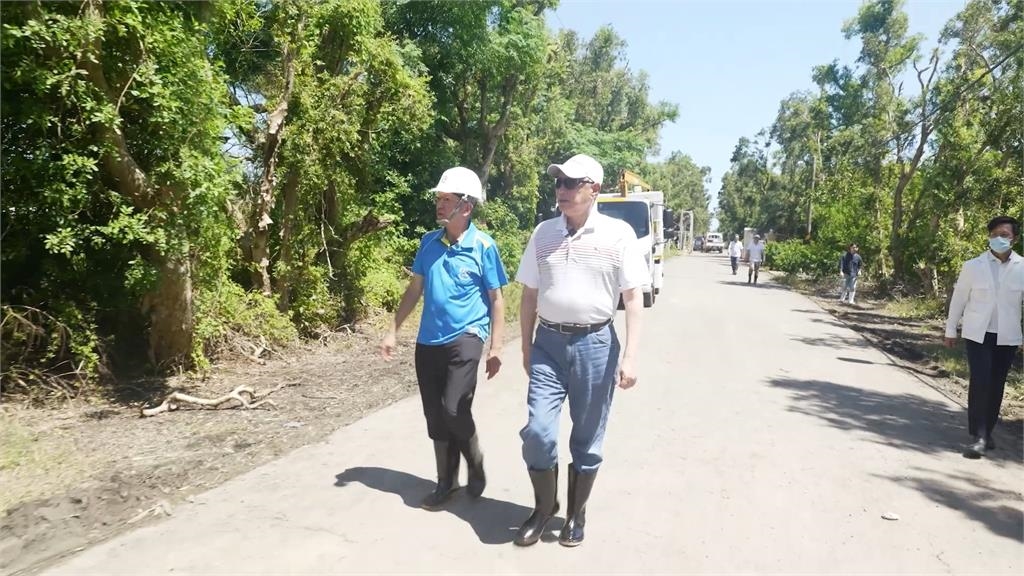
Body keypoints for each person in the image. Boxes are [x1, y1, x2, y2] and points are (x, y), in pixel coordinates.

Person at [513, 153, 647, 548]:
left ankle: (576, 513)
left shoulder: (618, 235)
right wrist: (526, 345)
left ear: (595, 189)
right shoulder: (543, 234)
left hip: (596, 345)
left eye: (572, 183)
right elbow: (529, 295)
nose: (563, 190)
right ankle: (544, 507)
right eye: (559, 183)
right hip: (548, 345)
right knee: (538, 431)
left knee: (587, 437)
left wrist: (630, 357)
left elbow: (633, 298)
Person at [379, 166, 509, 508]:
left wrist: (495, 346)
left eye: (446, 199)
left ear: (465, 207)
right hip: (429, 340)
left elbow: (497, 299)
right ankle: (446, 483)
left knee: (454, 409)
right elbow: (414, 290)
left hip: (467, 335)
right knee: (435, 416)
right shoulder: (428, 243)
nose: (439, 205)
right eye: (438, 198)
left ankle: (475, 459)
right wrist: (393, 329)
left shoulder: (483, 246)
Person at [944, 215, 1023, 459]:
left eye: (1005, 235)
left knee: (997, 384)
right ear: (989, 237)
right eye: (995, 234)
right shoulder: (973, 266)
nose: (999, 239)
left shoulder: (1022, 268)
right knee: (981, 380)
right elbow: (959, 299)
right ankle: (978, 435)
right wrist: (950, 329)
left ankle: (987, 433)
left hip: (1007, 336)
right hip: (978, 333)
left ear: (1015, 239)